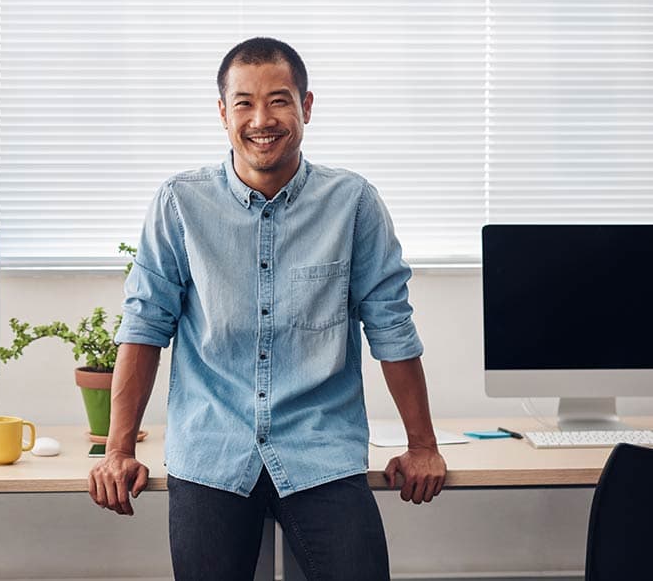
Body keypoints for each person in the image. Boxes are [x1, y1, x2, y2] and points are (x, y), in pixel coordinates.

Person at [88, 37, 447, 581]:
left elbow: (391, 326)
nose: (262, 119)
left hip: (320, 449)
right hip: (212, 451)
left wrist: (422, 446)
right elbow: (144, 326)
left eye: (279, 100)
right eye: (245, 103)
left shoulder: (352, 203)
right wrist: (117, 450)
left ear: (306, 106)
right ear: (222, 113)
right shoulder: (179, 203)